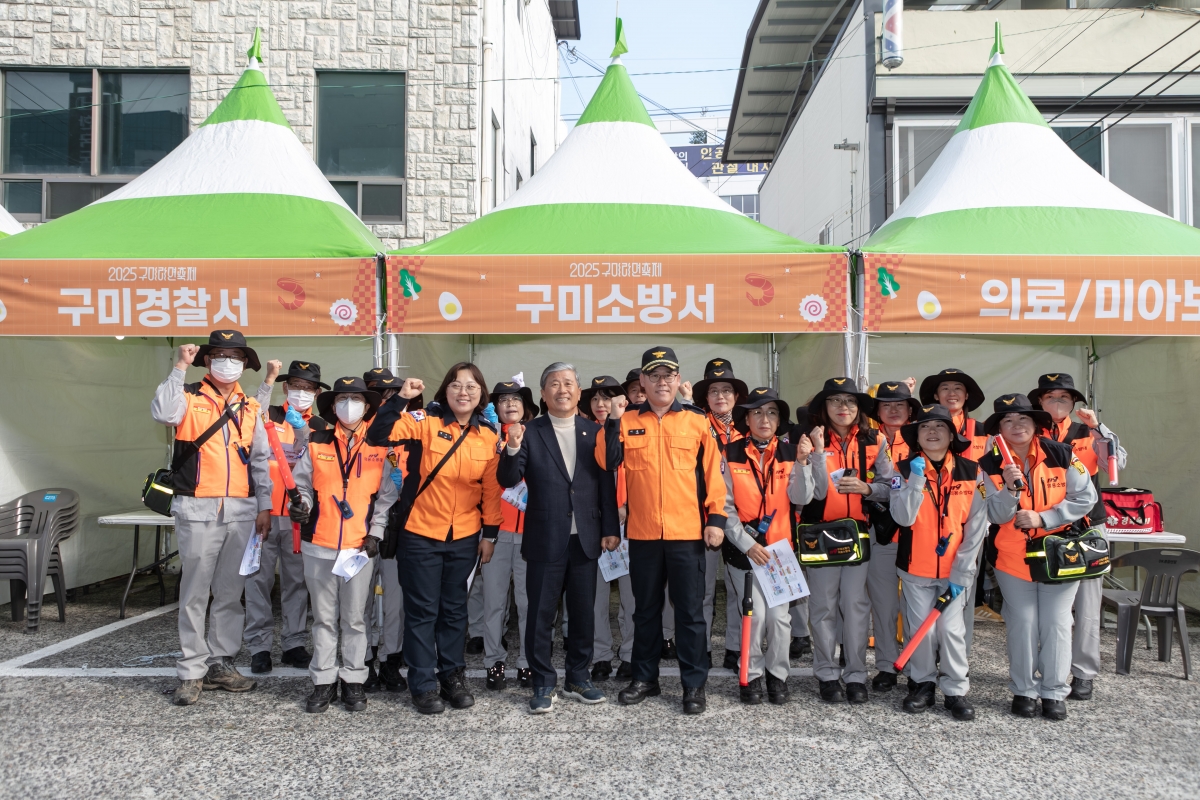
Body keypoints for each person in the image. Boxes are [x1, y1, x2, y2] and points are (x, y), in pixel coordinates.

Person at [366, 363, 503, 715]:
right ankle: (423, 683)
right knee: (423, 611)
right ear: (445, 391)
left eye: (472, 387)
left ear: (480, 395)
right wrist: (400, 399)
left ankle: (452, 677)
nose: (463, 392)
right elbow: (378, 435)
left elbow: (490, 490)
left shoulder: (487, 435)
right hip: (422, 533)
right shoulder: (424, 421)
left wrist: (490, 534)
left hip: (465, 536)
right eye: (456, 385)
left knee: (455, 612)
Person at [597, 347, 727, 715]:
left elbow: (713, 476)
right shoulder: (624, 422)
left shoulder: (697, 421)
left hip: (687, 533)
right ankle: (645, 678)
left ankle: (693, 685)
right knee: (645, 611)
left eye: (668, 375)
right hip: (642, 534)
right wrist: (611, 421)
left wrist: (716, 520)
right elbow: (606, 465)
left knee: (690, 613)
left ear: (677, 379)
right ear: (642, 382)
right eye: (653, 375)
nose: (661, 382)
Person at [150, 330, 271, 706]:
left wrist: (264, 506)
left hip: (241, 511)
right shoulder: (186, 396)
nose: (227, 362)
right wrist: (178, 367)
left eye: (235, 357)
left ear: (245, 365)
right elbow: (162, 412)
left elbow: (262, 462)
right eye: (220, 355)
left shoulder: (251, 408)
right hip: (198, 509)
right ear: (207, 360)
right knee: (194, 593)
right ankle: (191, 669)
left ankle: (220, 662)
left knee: (231, 595)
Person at [498, 363, 620, 713]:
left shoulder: (593, 431)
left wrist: (610, 528)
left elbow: (606, 483)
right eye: (554, 384)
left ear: (578, 392)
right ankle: (542, 682)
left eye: (568, 383)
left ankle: (578, 677)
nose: (562, 389)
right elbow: (508, 479)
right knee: (539, 614)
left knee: (583, 612)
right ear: (542, 393)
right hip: (544, 537)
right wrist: (511, 447)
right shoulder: (529, 432)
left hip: (585, 538)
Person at [979, 394, 1096, 721]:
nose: (1016, 426)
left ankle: (1054, 692)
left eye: (1022, 420)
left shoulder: (1061, 454)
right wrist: (1010, 490)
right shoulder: (989, 464)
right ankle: (1024, 691)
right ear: (998, 429)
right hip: (1012, 558)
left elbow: (1086, 496)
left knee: (1057, 622)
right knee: (1023, 623)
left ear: (1035, 424)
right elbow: (995, 513)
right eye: (1007, 421)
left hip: (1060, 555)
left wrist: (1045, 518)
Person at [288, 377, 397, 713]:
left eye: (356, 398)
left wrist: (375, 533)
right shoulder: (316, 441)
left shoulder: (379, 444)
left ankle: (353, 680)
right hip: (318, 545)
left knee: (354, 619)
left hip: (358, 549)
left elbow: (386, 497)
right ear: (332, 406)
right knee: (323, 619)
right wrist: (301, 504)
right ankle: (323, 681)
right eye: (342, 398)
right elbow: (303, 485)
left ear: (367, 406)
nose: (349, 405)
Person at [793, 378, 893, 704]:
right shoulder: (807, 440)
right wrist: (818, 454)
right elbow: (817, 492)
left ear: (858, 408)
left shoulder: (876, 440)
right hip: (818, 535)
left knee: (856, 607)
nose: (843, 408)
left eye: (849, 402)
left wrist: (868, 489)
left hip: (858, 536)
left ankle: (854, 675)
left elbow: (891, 486)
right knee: (822, 608)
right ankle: (826, 674)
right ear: (824, 406)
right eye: (835, 401)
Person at [1029, 373, 1126, 702]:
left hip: (1087, 527)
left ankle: (1084, 672)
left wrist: (1100, 428)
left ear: (1074, 403)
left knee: (1087, 605)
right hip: (1047, 528)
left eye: (1064, 398)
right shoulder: (1031, 431)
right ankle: (1048, 669)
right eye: (1050, 397)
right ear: (1040, 402)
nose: (1057, 403)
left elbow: (1117, 463)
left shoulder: (1089, 430)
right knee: (1045, 606)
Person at [889, 404, 988, 721]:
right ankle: (921, 685)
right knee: (921, 630)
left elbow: (976, 526)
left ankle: (956, 690)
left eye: (940, 427)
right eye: (925, 427)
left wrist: (963, 569)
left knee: (951, 631)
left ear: (952, 435)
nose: (932, 432)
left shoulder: (973, 472)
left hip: (954, 571)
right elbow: (902, 517)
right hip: (915, 567)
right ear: (916, 437)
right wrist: (916, 481)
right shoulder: (901, 471)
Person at [721, 387, 811, 705]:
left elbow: (802, 498)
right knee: (754, 616)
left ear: (779, 420)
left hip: (780, 553)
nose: (764, 418)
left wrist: (802, 463)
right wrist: (746, 544)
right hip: (744, 552)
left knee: (780, 619)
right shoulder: (730, 454)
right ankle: (752, 676)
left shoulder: (791, 454)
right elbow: (724, 507)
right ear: (746, 419)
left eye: (771, 412)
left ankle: (777, 676)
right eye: (757, 412)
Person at [244, 359, 329, 675]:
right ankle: (259, 647)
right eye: (296, 386)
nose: (301, 393)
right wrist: (262, 507)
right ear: (285, 387)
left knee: (297, 583)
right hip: (263, 514)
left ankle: (293, 644)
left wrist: (303, 430)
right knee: (258, 582)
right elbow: (256, 449)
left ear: (317, 392)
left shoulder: (321, 426)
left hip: (299, 517)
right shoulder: (269, 414)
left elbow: (320, 466)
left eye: (308, 388)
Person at [919, 368, 990, 653]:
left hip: (970, 521)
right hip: (928, 524)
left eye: (957, 388)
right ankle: (924, 655)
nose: (951, 393)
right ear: (935, 396)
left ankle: (959, 653)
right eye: (944, 388)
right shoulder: (924, 427)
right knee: (921, 595)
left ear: (967, 396)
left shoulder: (985, 431)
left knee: (963, 589)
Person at [361, 367, 420, 694]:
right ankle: (365, 660)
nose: (387, 402)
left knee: (396, 600)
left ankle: (391, 661)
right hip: (358, 528)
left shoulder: (410, 432)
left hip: (401, 527)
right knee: (361, 600)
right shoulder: (354, 433)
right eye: (380, 397)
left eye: (393, 396)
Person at [688, 357, 749, 671]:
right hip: (705, 521)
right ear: (705, 398)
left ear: (736, 397)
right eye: (714, 391)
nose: (721, 396)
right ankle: (702, 649)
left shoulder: (747, 433)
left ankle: (736, 648)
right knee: (703, 591)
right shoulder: (696, 429)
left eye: (727, 390)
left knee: (741, 590)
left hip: (741, 523)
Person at [862, 381, 921, 692]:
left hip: (920, 536)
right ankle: (886, 665)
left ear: (911, 410)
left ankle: (915, 665)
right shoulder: (869, 441)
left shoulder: (925, 437)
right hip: (883, 533)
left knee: (915, 607)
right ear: (878, 412)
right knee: (884, 606)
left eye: (901, 404)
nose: (894, 409)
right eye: (887, 404)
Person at [482, 379, 539, 691]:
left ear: (526, 405)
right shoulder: (485, 437)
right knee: (493, 603)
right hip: (497, 533)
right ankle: (493, 661)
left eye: (516, 398)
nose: (510, 404)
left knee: (529, 603)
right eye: (503, 399)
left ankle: (527, 662)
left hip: (532, 534)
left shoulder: (539, 437)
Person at [580, 375, 634, 682]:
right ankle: (600, 655)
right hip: (594, 525)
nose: (602, 404)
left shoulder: (634, 431)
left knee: (631, 597)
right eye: (596, 399)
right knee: (595, 597)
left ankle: (629, 653)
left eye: (609, 398)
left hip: (631, 524)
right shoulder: (583, 434)